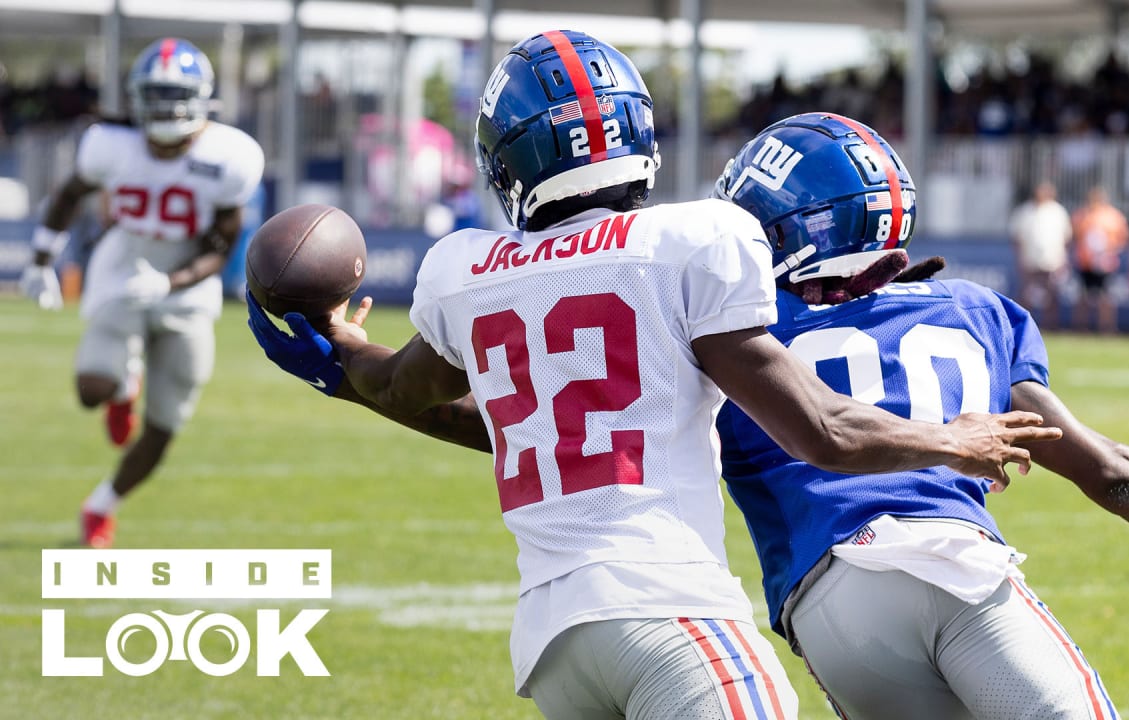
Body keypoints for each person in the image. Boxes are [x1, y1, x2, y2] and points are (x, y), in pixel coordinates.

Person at [248, 31, 1061, 720]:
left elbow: (410, 393)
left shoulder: (464, 271)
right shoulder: (690, 241)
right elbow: (823, 430)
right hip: (669, 607)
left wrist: (333, 349)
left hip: (555, 643)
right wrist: (947, 440)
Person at [712, 112, 1129, 719]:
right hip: (955, 570)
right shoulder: (975, 310)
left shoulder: (730, 338)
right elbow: (1111, 471)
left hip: (827, 608)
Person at [18, 38, 264, 548]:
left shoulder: (229, 157)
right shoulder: (110, 143)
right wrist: (42, 259)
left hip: (188, 287)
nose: (165, 107)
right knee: (92, 389)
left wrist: (171, 283)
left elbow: (220, 250)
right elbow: (68, 195)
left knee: (164, 424)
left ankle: (101, 505)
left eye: (175, 95)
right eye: (155, 94)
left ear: (201, 99)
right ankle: (123, 384)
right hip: (123, 269)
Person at [1009, 181, 1072, 330]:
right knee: (1026, 295)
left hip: (1052, 261)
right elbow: (1016, 238)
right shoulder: (1024, 211)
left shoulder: (1058, 212)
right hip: (1030, 260)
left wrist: (1063, 260)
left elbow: (1066, 237)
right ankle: (1023, 326)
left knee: (1052, 296)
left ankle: (1050, 326)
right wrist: (1020, 259)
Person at [1070, 186, 1129, 334]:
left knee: (1106, 298)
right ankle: (1080, 328)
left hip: (1106, 263)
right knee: (1083, 296)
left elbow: (1122, 238)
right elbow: (1075, 236)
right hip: (1086, 262)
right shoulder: (1082, 215)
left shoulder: (1113, 216)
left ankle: (1106, 328)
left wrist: (1110, 252)